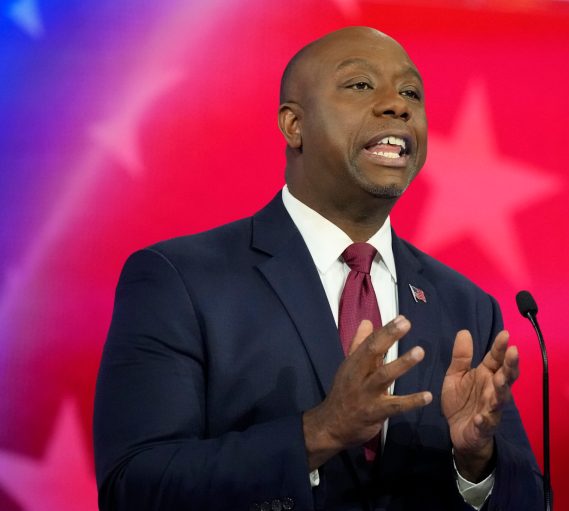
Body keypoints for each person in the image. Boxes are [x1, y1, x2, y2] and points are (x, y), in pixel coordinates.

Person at [93, 26, 543, 511]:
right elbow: (133, 488)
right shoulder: (179, 281)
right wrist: (321, 431)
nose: (398, 105)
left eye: (411, 92)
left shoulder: (466, 306)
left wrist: (476, 463)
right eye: (360, 85)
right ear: (294, 125)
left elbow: (531, 502)